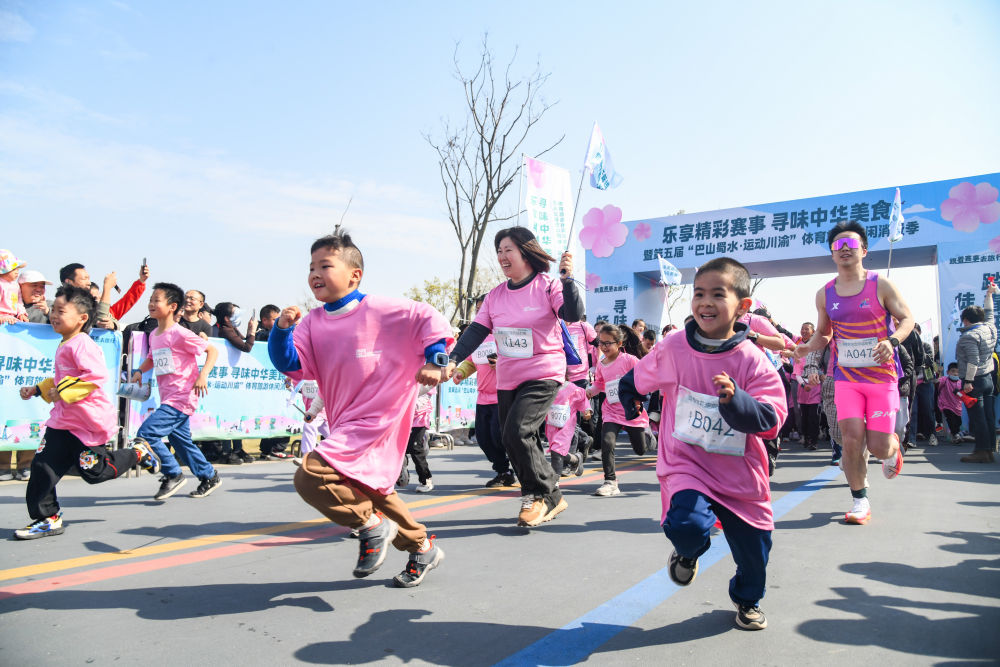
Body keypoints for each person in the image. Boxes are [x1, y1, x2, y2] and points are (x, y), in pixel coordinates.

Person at [269, 230, 453, 587]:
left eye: (325, 265)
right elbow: (291, 363)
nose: (315, 274)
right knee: (372, 489)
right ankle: (422, 547)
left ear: (355, 275)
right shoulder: (312, 323)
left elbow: (428, 318)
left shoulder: (384, 309)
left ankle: (370, 526)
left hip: (381, 417)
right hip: (345, 420)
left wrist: (435, 359)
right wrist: (281, 331)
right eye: (311, 267)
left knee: (309, 476)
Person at [622, 257, 786, 631]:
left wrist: (737, 401)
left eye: (718, 294)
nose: (705, 302)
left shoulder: (753, 359)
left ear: (743, 306)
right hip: (687, 462)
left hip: (740, 472)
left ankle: (747, 599)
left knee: (755, 551)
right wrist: (631, 397)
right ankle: (688, 552)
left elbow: (772, 419)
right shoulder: (674, 346)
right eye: (699, 294)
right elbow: (638, 377)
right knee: (685, 524)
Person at [445, 226, 584, 527]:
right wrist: (454, 358)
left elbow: (572, 315)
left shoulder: (548, 285)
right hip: (508, 377)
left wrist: (568, 281)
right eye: (499, 251)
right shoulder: (495, 296)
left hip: (543, 371)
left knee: (517, 430)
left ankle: (542, 494)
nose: (502, 256)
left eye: (508, 249)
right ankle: (542, 495)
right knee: (513, 439)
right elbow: (476, 331)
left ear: (526, 252)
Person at [14, 286, 160, 539]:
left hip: (86, 423)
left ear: (82, 318)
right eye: (53, 310)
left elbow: (94, 376)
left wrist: (61, 391)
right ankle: (47, 518)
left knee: (95, 473)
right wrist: (38, 389)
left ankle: (138, 452)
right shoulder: (65, 343)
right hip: (62, 422)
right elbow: (61, 379)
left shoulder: (82, 344)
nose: (54, 315)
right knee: (42, 466)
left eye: (61, 311)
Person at [795, 221, 914, 525]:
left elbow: (906, 319)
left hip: (882, 377)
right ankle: (860, 501)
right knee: (850, 440)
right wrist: (806, 348)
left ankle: (891, 448)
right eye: (838, 245)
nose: (845, 249)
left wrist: (892, 341)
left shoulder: (881, 285)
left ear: (864, 250)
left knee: (877, 446)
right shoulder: (824, 294)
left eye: (851, 244)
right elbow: (824, 333)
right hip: (846, 379)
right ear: (832, 253)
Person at [130, 282, 222, 499]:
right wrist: (139, 371)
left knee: (146, 435)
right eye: (150, 300)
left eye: (157, 300)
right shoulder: (154, 334)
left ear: (172, 306)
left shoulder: (180, 333)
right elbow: (152, 358)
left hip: (182, 396)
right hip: (168, 396)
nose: (151, 304)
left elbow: (212, 350)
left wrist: (203, 375)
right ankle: (209, 476)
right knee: (181, 442)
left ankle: (173, 473)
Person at [452, 303, 516, 487]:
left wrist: (502, 363)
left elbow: (520, 360)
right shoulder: (477, 337)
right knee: (483, 438)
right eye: (479, 309)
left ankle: (524, 467)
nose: (482, 312)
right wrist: (460, 372)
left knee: (498, 436)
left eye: (485, 308)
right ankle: (504, 471)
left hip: (503, 395)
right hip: (483, 397)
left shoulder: (505, 334)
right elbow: (470, 362)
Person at [587, 324, 649, 496]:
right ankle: (610, 481)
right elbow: (600, 383)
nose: (604, 347)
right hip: (611, 411)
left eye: (608, 343)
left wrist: (638, 394)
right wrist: (589, 392)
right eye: (601, 343)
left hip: (631, 411)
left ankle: (648, 435)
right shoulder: (601, 364)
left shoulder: (629, 360)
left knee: (640, 450)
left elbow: (644, 377)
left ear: (619, 343)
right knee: (607, 442)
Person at [955, 282, 998, 463]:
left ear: (966, 320)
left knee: (978, 418)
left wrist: (968, 382)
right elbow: (990, 312)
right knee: (988, 416)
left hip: (975, 382)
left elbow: (973, 360)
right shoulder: (990, 328)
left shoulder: (969, 336)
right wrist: (989, 295)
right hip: (988, 378)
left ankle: (981, 451)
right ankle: (989, 451)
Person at [213, 301, 258, 463]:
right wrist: (252, 332)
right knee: (227, 416)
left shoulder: (231, 328)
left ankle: (238, 449)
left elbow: (243, 342)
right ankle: (227, 451)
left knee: (236, 414)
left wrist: (248, 331)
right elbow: (246, 347)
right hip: (225, 379)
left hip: (234, 379)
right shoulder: (225, 330)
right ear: (226, 318)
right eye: (235, 313)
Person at [545, 379, 590, 478]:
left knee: (556, 450)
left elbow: (582, 396)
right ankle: (576, 459)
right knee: (556, 450)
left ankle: (555, 482)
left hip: (566, 426)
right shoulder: (545, 387)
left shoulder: (570, 388)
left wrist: (586, 410)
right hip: (551, 427)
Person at [399, 389, 435, 493]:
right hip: (403, 418)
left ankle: (426, 480)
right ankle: (401, 465)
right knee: (396, 447)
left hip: (419, 419)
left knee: (415, 448)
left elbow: (419, 403)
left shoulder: (427, 383)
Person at [937, 362, 965, 444]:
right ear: (948, 372)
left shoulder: (961, 382)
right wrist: (938, 372)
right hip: (946, 405)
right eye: (953, 371)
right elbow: (936, 382)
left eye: (957, 372)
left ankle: (955, 435)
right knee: (951, 420)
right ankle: (956, 435)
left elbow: (962, 396)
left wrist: (959, 393)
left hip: (957, 407)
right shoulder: (944, 380)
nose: (955, 374)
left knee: (958, 422)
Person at [0, 249, 29, 324]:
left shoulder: (15, 285)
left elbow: (19, 302)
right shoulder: (1, 284)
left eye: (17, 269)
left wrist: (21, 313)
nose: (17, 272)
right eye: (13, 269)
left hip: (12, 317)